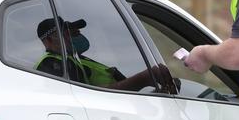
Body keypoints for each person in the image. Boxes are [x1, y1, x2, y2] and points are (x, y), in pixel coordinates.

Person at [36, 17, 167, 92]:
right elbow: (88, 96)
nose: (77, 34)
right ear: (49, 40)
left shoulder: (75, 59)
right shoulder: (52, 65)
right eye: (68, 32)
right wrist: (143, 78)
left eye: (76, 32)